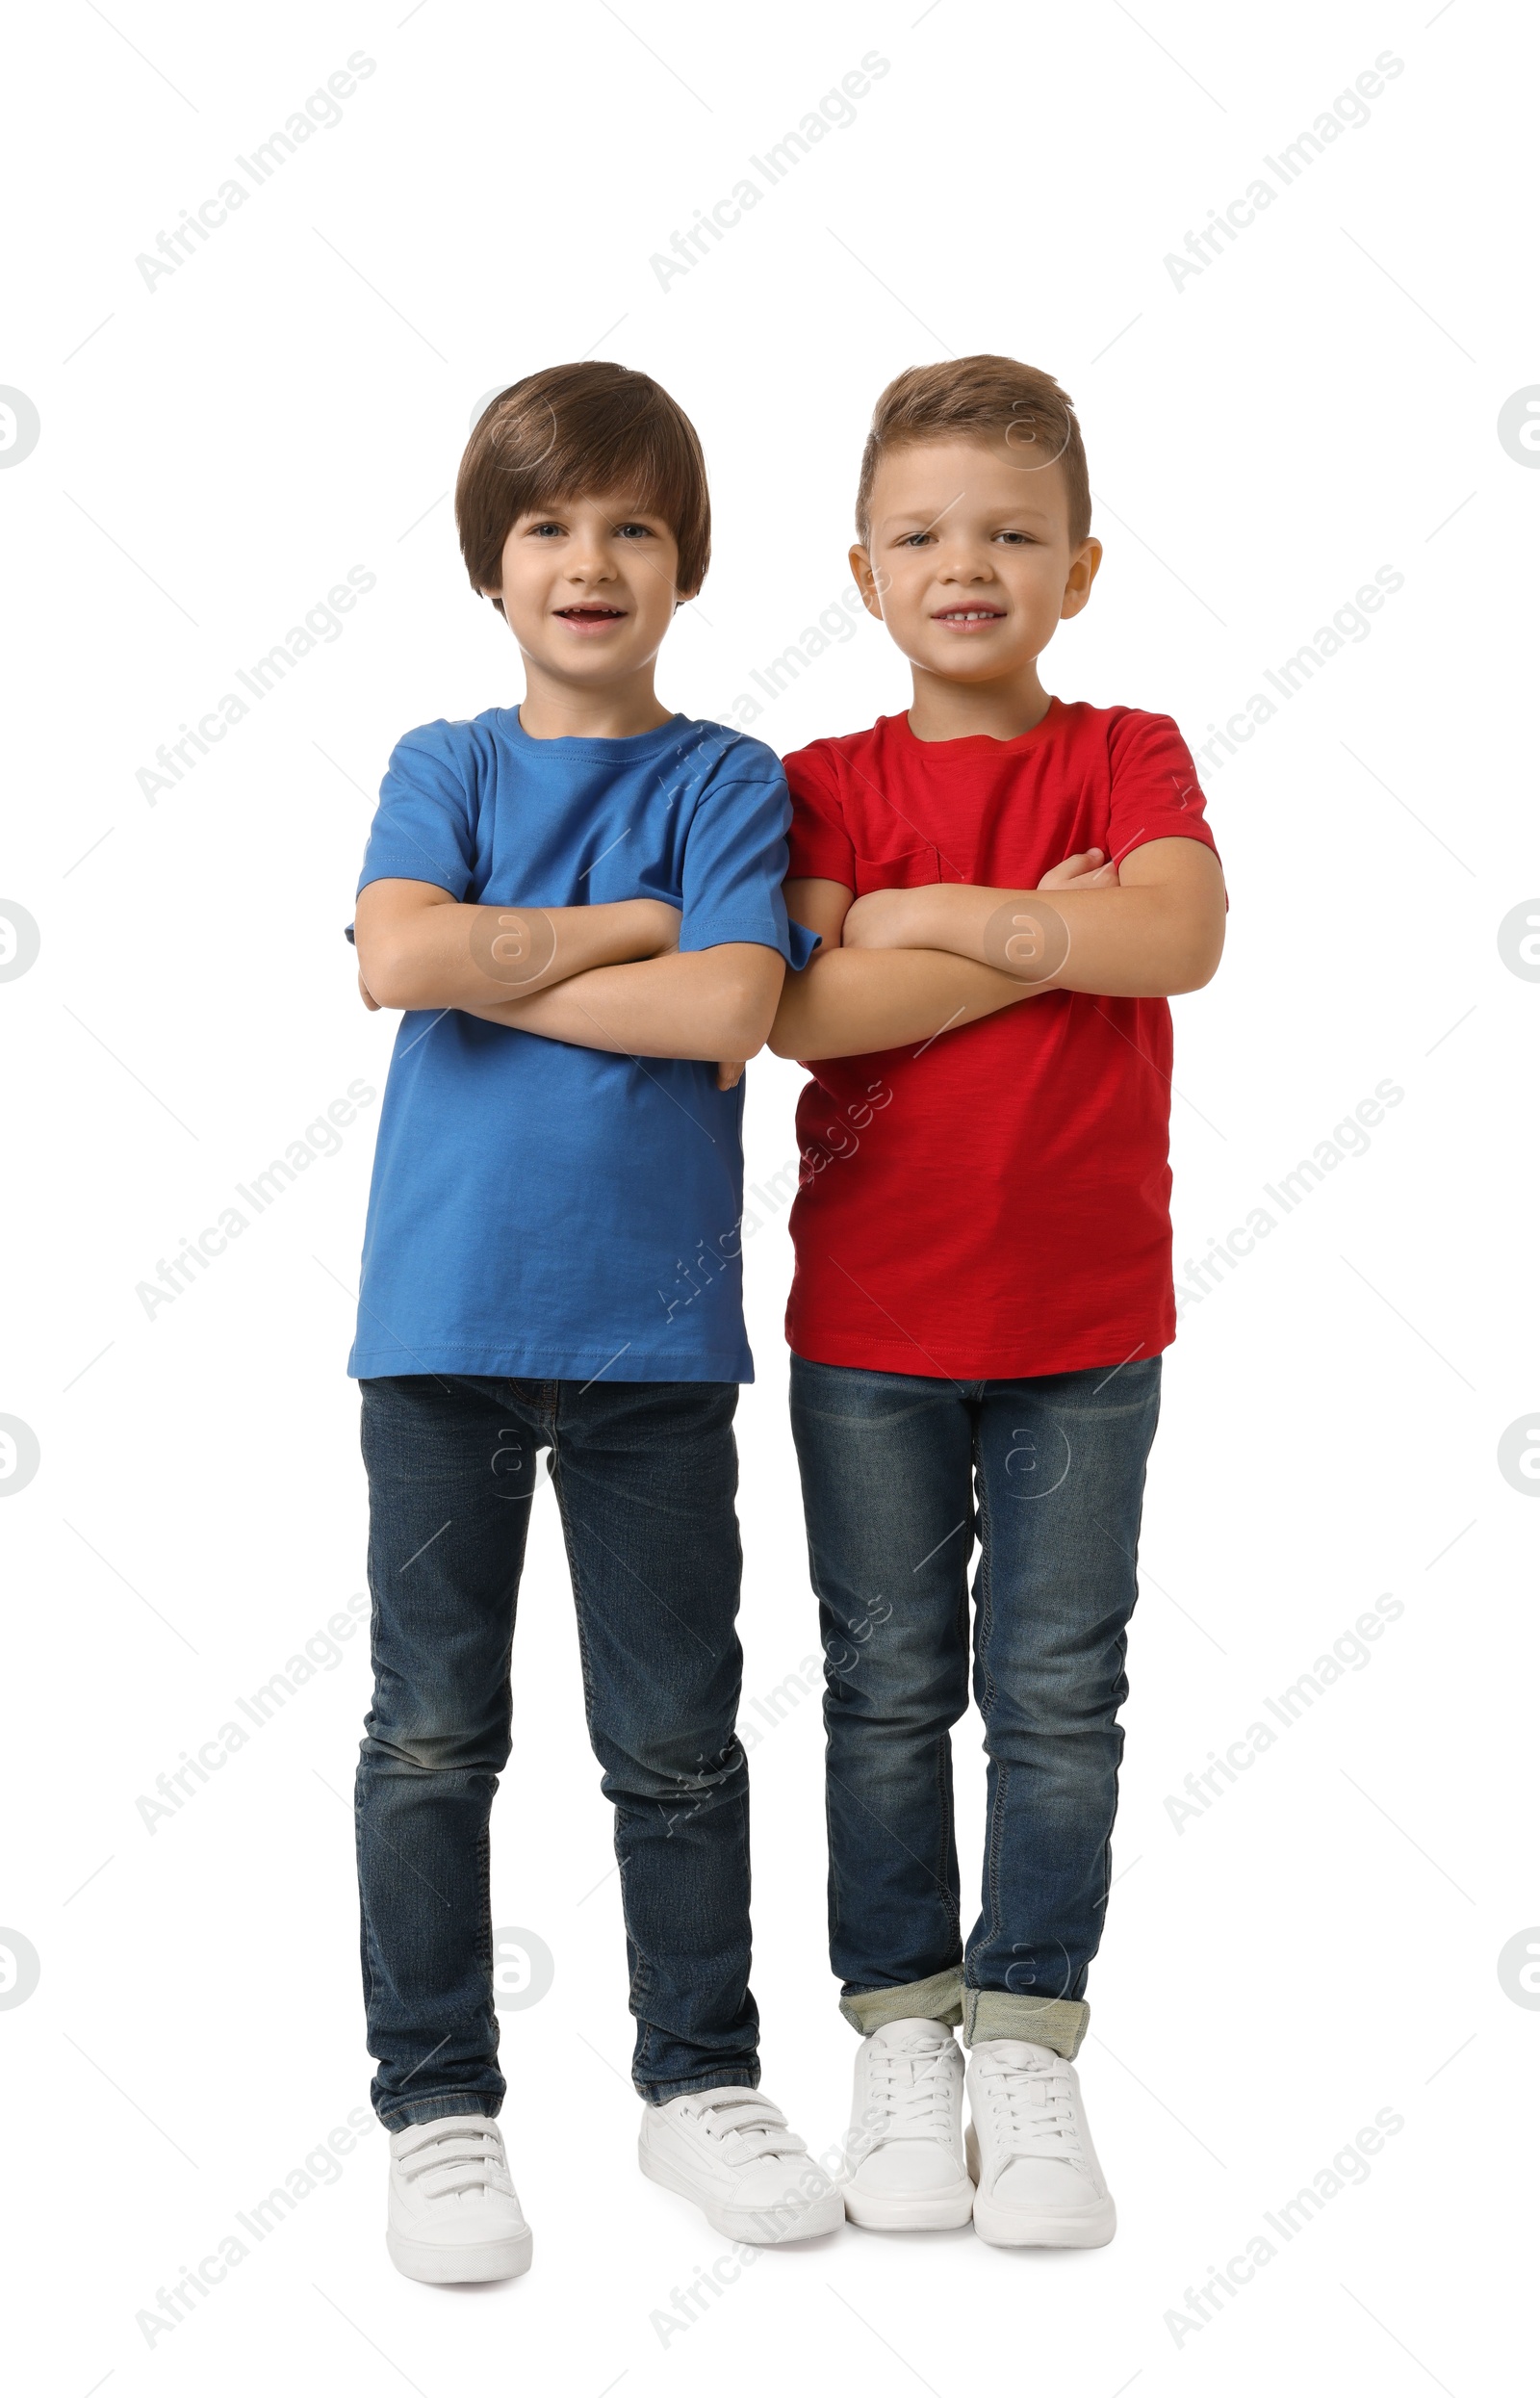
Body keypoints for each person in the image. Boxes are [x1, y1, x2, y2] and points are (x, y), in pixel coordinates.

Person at [348, 361, 838, 2283]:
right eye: (548, 524)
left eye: (631, 523)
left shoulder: (726, 780)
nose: (588, 558)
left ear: (683, 563)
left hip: (652, 1343)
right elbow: (396, 952)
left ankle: (697, 2081)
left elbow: (730, 1015)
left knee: (678, 1741)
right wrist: (630, 929)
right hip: (442, 1322)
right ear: (493, 563)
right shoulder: (445, 763)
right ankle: (439, 2104)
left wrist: (503, 962)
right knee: (430, 1733)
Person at [769, 355, 1227, 2248]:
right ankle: (900, 2025)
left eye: (1011, 535)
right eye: (925, 534)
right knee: (882, 1693)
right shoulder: (813, 781)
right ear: (863, 570)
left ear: (1079, 566)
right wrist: (1041, 923)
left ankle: (1025, 2030)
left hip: (1083, 1323)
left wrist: (926, 917)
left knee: (1054, 1690)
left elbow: (1177, 933)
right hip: (869, 1324)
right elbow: (803, 1010)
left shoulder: (1125, 748)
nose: (968, 564)